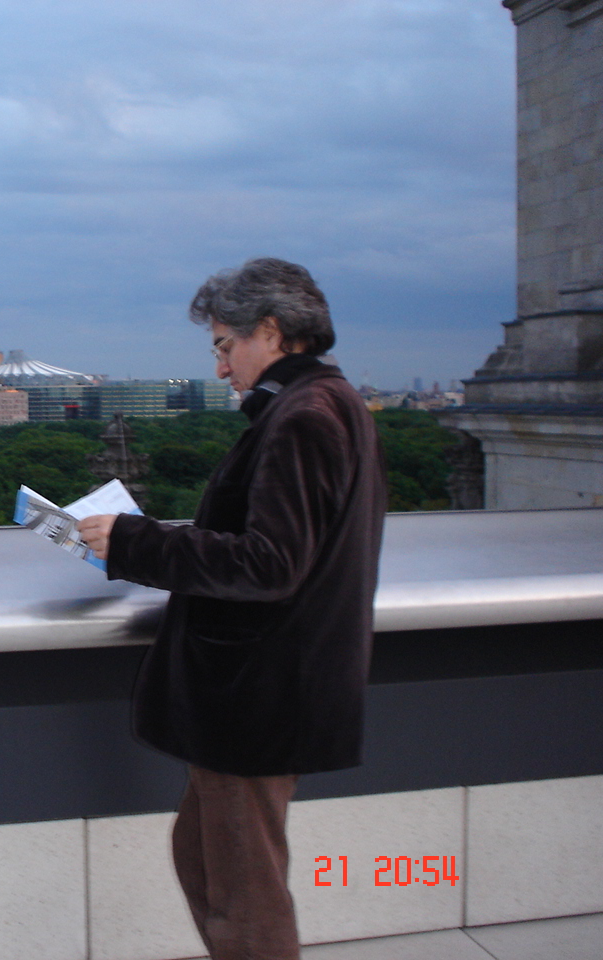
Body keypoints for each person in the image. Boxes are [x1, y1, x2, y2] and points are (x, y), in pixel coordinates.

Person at [77, 258, 386, 960]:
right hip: (273, 689)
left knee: (244, 896)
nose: (220, 367)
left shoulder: (304, 417)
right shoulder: (329, 404)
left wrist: (134, 541)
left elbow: (270, 564)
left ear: (272, 332)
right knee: (203, 854)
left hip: (259, 697)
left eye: (223, 345)